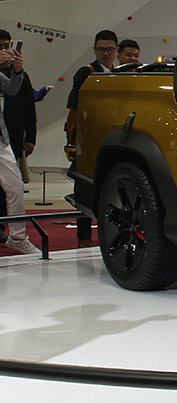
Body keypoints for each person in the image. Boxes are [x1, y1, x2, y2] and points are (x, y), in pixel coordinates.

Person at [66, 29, 118, 248]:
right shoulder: (86, 72)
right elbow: (78, 104)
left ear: (116, 50)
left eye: (109, 49)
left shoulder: (120, 73)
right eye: (101, 49)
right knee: (84, 188)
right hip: (88, 138)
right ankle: (84, 237)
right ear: (95, 50)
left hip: (111, 137)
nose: (105, 53)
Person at [0, 39, 39, 255]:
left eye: (7, 46)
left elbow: (12, 89)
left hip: (1, 139)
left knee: (15, 186)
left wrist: (17, 70)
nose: (5, 50)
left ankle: (17, 236)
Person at [0, 30, 37, 187]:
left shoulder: (21, 75)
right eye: (0, 47)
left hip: (12, 135)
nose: (4, 51)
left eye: (7, 46)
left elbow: (28, 106)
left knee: (12, 184)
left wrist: (30, 137)